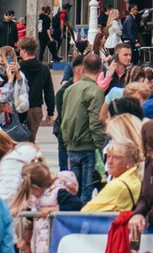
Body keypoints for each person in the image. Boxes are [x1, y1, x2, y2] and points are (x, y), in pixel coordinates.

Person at [55, 56, 104, 203]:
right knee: (87, 190)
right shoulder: (95, 91)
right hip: (88, 145)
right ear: (100, 70)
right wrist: (100, 145)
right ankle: (83, 219)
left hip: (71, 145)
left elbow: (64, 118)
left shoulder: (69, 89)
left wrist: (66, 142)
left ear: (83, 69)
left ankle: (74, 217)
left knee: (75, 189)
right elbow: (96, 122)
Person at [79, 138, 142, 213]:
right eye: (108, 156)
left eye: (116, 157)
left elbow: (85, 212)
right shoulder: (134, 177)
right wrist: (102, 187)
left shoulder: (118, 185)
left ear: (129, 161)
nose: (109, 161)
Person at [14, 40, 53, 141]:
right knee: (31, 138)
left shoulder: (19, 69)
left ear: (24, 50)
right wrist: (50, 111)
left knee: (18, 139)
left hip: (20, 107)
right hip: (36, 107)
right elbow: (49, 91)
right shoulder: (44, 68)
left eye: (20, 49)